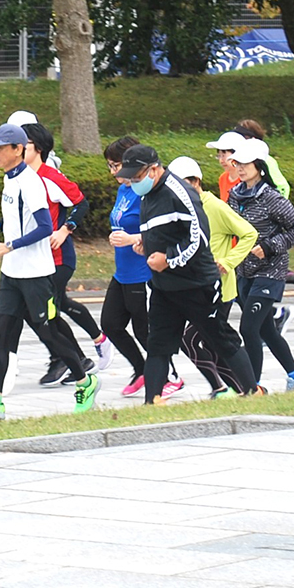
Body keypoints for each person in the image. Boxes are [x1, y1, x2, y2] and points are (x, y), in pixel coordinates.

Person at [0, 123, 99, 420]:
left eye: (1, 148)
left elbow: (43, 227)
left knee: (48, 332)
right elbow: (17, 220)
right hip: (11, 273)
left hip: (36, 274)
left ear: (18, 150)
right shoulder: (9, 179)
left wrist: (9, 245)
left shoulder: (31, 182)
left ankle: (84, 380)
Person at [115, 143, 225, 405]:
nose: (131, 182)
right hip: (165, 285)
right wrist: (146, 245)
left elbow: (200, 238)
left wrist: (171, 259)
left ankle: (248, 389)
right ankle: (152, 400)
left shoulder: (188, 196)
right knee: (159, 344)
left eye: (136, 176)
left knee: (220, 339)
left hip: (198, 281)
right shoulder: (147, 195)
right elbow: (158, 232)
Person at [223, 139, 294, 392]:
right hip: (243, 269)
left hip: (270, 272)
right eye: (237, 163)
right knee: (266, 330)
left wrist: (270, 246)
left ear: (260, 166)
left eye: (245, 163)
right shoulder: (235, 195)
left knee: (248, 328)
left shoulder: (272, 198)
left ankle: (254, 387)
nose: (240, 168)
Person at [170, 155, 262, 396]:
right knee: (211, 341)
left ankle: (239, 388)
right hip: (194, 287)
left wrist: (229, 261)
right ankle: (238, 388)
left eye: (184, 185)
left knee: (203, 340)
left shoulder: (214, 206)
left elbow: (249, 234)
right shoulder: (181, 210)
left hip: (219, 288)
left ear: (196, 181)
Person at [22, 121, 104, 386]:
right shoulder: (19, 178)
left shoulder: (51, 177)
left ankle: (74, 358)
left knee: (46, 311)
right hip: (36, 259)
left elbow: (81, 203)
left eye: (24, 143)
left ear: (39, 148)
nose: (18, 148)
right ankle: (76, 358)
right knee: (50, 311)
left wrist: (66, 229)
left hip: (58, 259)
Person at [101, 135, 154, 396]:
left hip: (142, 272)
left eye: (117, 165)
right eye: (110, 167)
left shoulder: (145, 191)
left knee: (143, 330)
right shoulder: (124, 189)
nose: (114, 173)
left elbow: (161, 230)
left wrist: (134, 238)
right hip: (122, 271)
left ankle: (168, 375)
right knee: (110, 324)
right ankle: (142, 369)